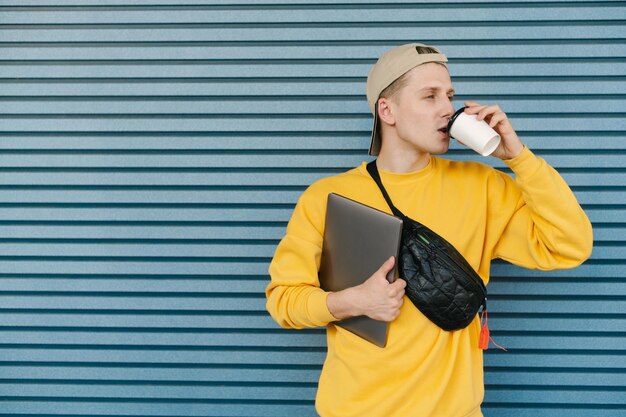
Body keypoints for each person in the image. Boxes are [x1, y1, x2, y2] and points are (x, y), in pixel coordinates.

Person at [265, 43, 593, 417]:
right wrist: (353, 301)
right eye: (430, 96)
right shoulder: (326, 196)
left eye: (449, 96)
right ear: (387, 110)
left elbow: (569, 245)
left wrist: (518, 158)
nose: (447, 109)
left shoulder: (482, 187)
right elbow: (283, 300)